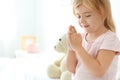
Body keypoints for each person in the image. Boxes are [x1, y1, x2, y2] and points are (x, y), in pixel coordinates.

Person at [66, 0, 120, 80]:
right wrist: (71, 46)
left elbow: (99, 71)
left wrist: (78, 48)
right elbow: (71, 68)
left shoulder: (110, 38)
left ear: (103, 13)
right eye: (79, 16)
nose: (81, 21)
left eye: (87, 15)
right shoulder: (81, 37)